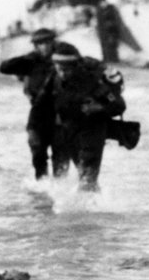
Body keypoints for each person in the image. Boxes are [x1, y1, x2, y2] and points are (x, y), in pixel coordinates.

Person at [48, 42, 125, 191]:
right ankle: (96, 206)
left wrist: (98, 108)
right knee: (83, 175)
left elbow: (119, 105)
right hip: (70, 131)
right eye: (59, 69)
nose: (63, 74)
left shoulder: (93, 82)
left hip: (93, 130)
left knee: (87, 178)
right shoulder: (54, 79)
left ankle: (88, 212)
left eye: (66, 70)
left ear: (75, 66)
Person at [0, 27, 60, 179]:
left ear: (53, 43)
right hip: (38, 112)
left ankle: (60, 192)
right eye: (40, 44)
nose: (44, 47)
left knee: (60, 157)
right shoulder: (31, 62)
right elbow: (4, 67)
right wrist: (29, 57)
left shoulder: (62, 61)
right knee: (37, 152)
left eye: (47, 43)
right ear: (35, 46)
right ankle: (42, 186)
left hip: (60, 113)